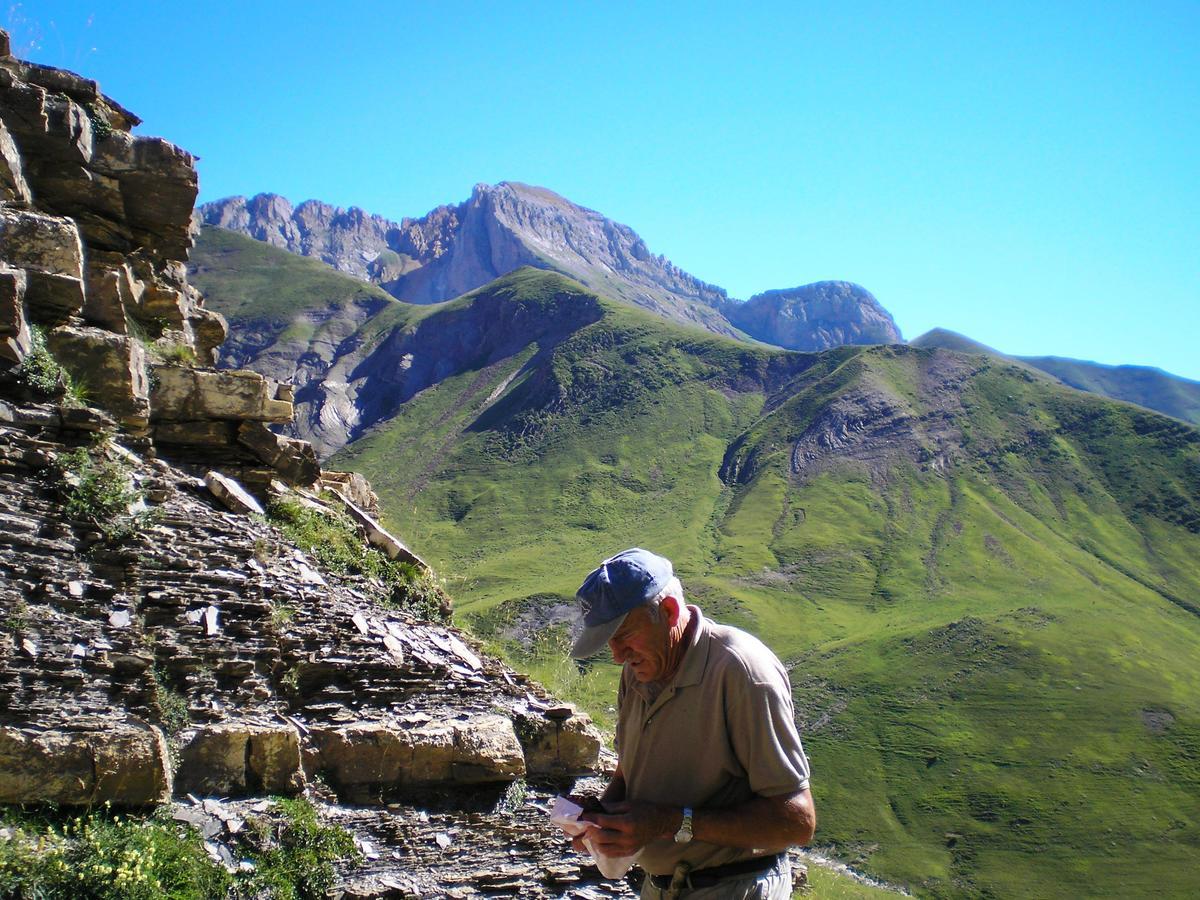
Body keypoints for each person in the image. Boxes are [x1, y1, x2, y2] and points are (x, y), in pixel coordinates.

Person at [568, 548, 816, 899]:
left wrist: (669, 822)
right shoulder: (637, 672)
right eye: (609, 641)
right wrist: (599, 821)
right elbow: (630, 771)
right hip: (661, 889)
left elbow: (796, 822)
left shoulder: (741, 672)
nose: (617, 655)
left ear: (668, 612)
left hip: (735, 888)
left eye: (623, 635)